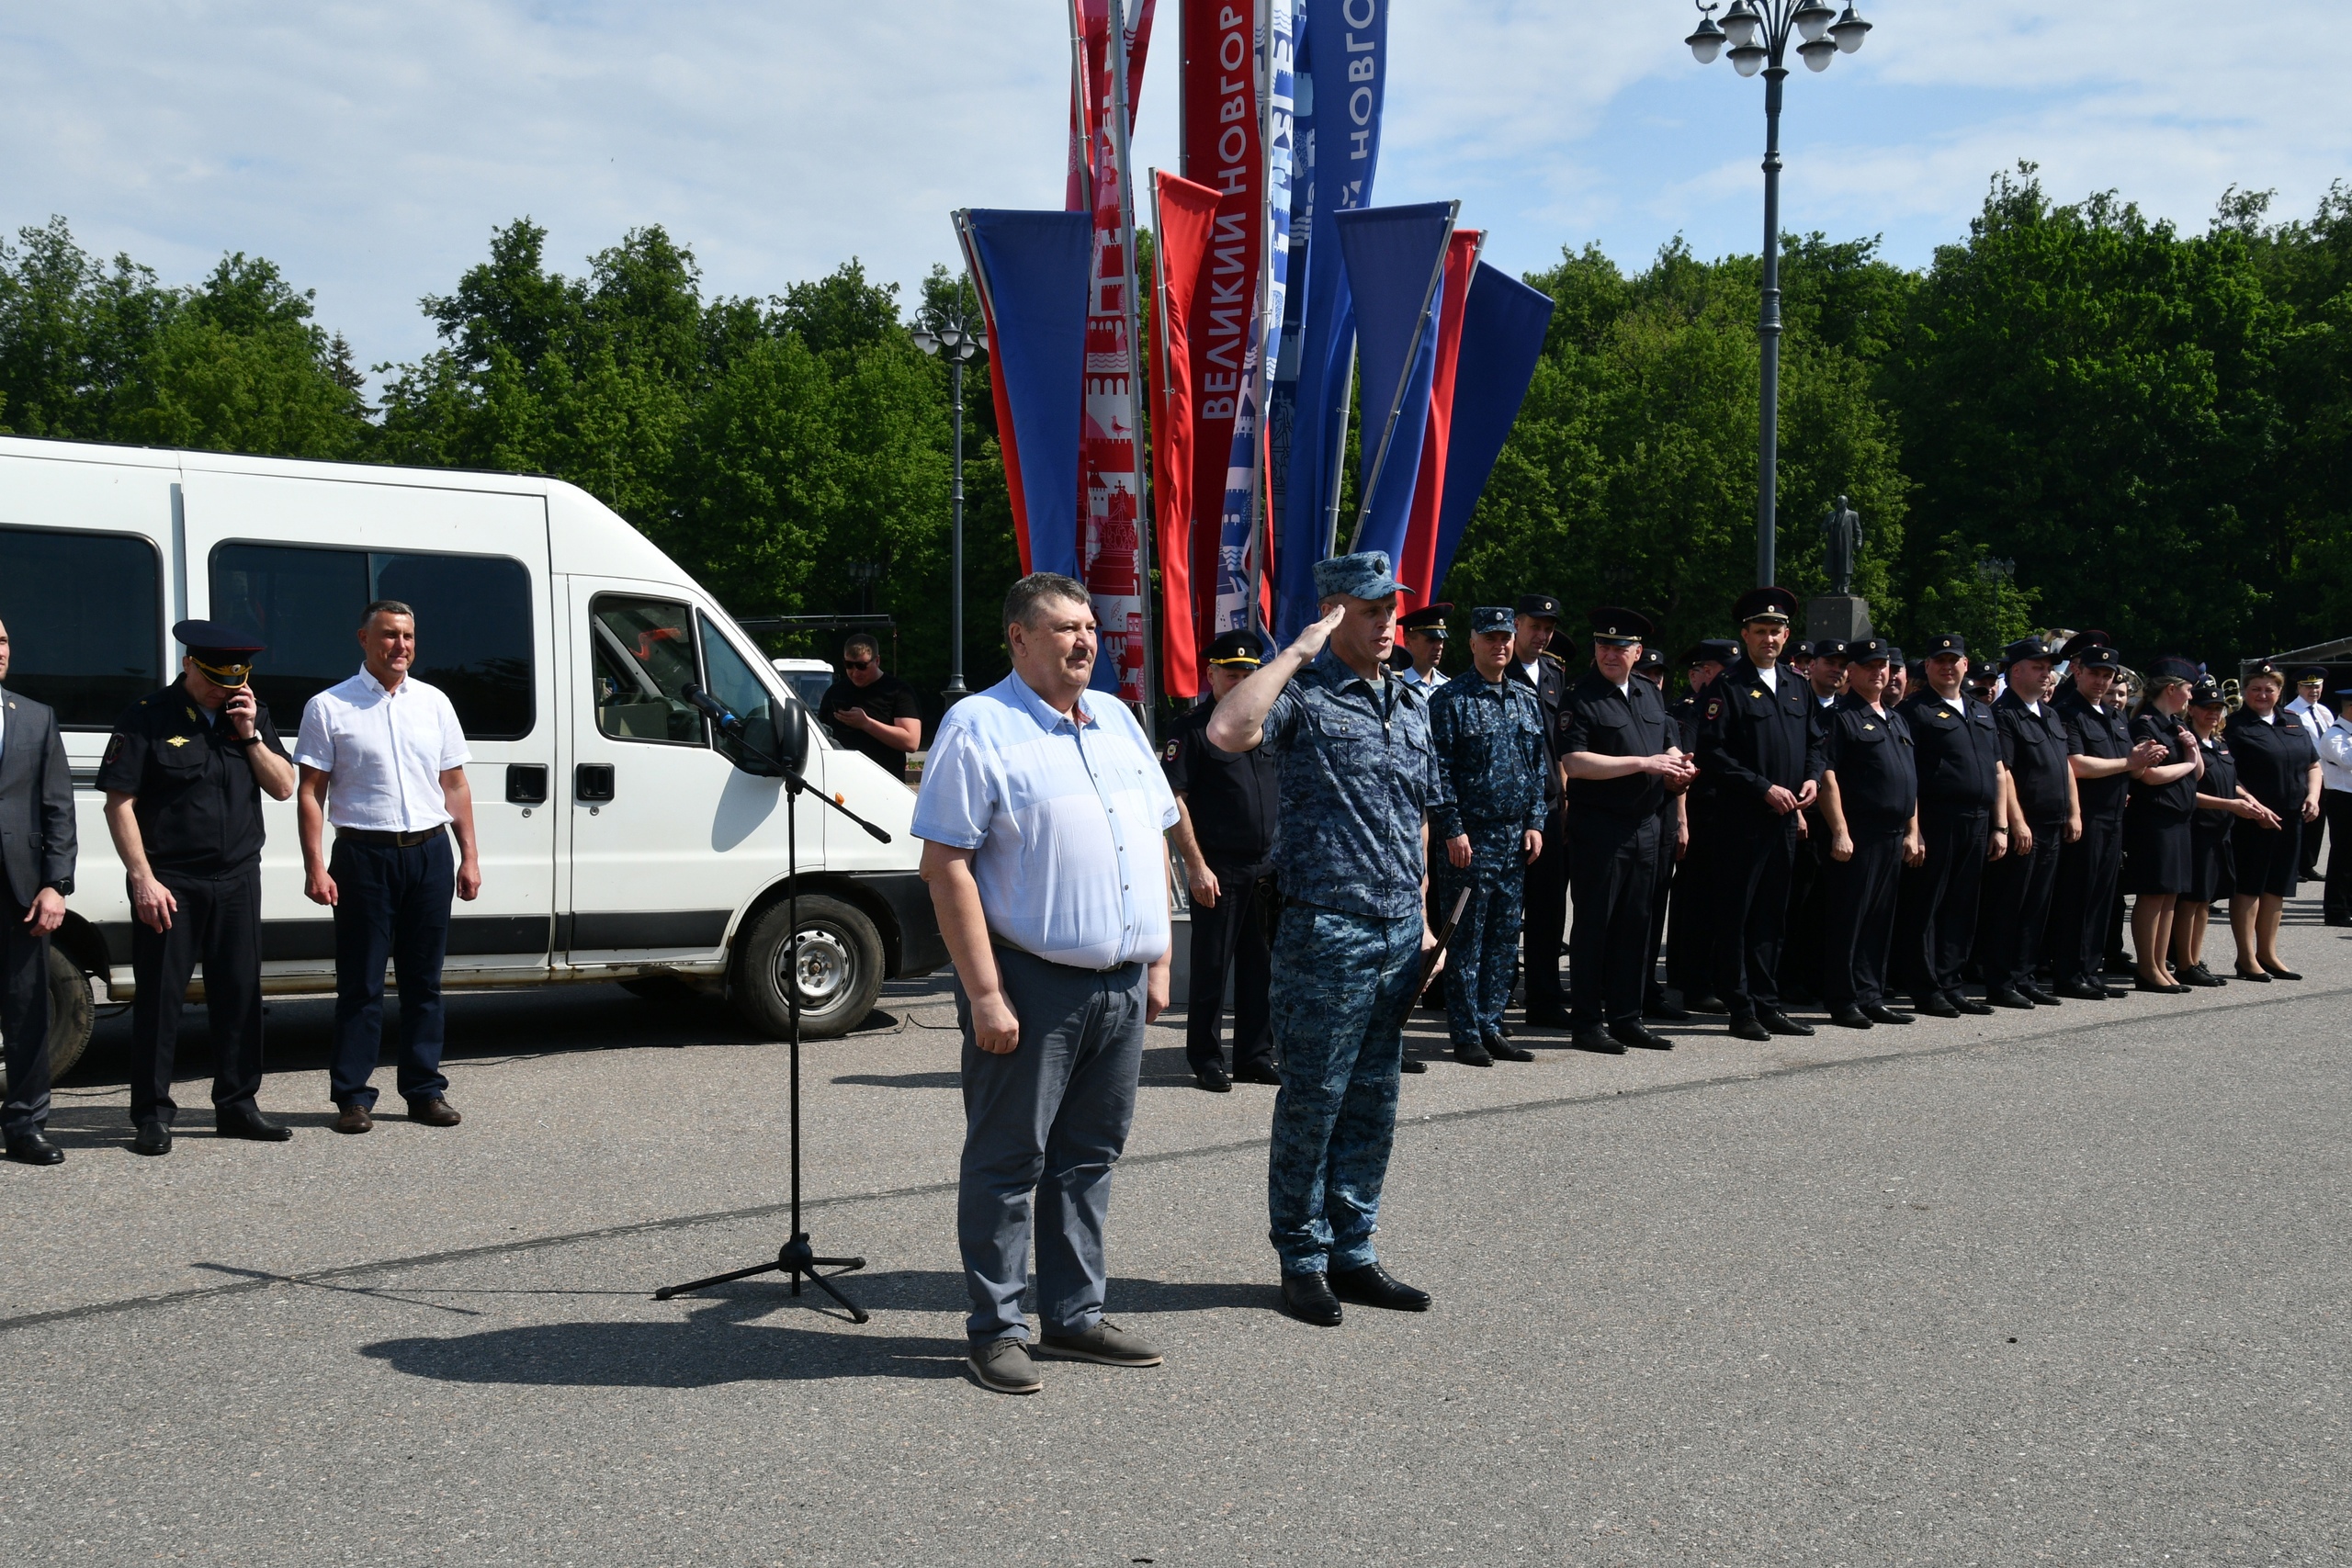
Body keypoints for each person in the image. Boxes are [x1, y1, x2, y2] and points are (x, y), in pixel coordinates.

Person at [913, 572, 1177, 1395]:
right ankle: (996, 1328)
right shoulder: (978, 725)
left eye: (1090, 626)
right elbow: (944, 862)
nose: (1084, 640)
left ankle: (1075, 1314)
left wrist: (1160, 955)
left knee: (1089, 1156)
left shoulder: (1119, 721)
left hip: (1120, 982)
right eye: (1064, 627)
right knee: (1008, 1159)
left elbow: (1155, 830)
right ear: (1018, 638)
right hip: (1031, 983)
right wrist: (986, 992)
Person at [1207, 550, 1449, 1329]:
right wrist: (1298, 649)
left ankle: (1354, 1249)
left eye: (1390, 609)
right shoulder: (1303, 697)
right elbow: (1228, 727)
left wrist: (1424, 915)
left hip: (1395, 929)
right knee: (1313, 1100)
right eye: (1370, 610)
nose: (1387, 623)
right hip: (1325, 930)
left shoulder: (1409, 702)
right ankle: (1302, 1258)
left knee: (1375, 1099)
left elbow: (1415, 810)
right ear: (1335, 612)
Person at [98, 621, 299, 1156]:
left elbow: (283, 787)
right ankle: (152, 1114)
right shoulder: (147, 717)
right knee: (160, 1001)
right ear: (189, 664)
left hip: (237, 878)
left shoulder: (248, 715)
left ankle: (237, 1105)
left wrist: (250, 733)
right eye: (214, 678)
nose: (224, 688)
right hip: (172, 882)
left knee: (239, 995)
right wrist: (142, 879)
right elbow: (119, 804)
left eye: (234, 679)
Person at [296, 600, 482, 1134]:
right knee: (362, 983)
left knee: (425, 982)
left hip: (428, 852)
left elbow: (455, 784)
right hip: (363, 856)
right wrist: (315, 866)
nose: (399, 646)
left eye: (407, 637)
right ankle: (353, 1096)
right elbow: (311, 792)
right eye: (388, 635)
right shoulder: (329, 707)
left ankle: (424, 1091)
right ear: (364, 638)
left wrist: (469, 855)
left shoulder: (435, 703)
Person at [1560, 607, 1693, 1054]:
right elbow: (1574, 763)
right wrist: (1644, 764)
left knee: (1638, 928)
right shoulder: (1580, 695)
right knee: (1594, 927)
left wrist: (1676, 767)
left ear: (1638, 653)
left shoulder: (1648, 694)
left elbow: (1666, 745)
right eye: (1603, 645)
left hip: (1647, 825)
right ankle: (1587, 1024)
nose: (1609, 653)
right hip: (1600, 828)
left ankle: (1627, 1016)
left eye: (1619, 647)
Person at [1694, 586, 1824, 1042]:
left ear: (1786, 636)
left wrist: (1813, 779)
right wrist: (1763, 787)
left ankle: (1769, 1004)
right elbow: (1712, 753)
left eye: (1776, 631)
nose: (1769, 639)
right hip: (1741, 822)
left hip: (1785, 822)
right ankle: (1741, 1007)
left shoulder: (1796, 686)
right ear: (1745, 634)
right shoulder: (1726, 687)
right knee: (1737, 916)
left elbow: (1816, 743)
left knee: (1772, 915)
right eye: (1761, 631)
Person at [1426, 607, 1548, 1066]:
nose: (1500, 645)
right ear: (1472, 643)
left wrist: (1536, 821)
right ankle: (1465, 1031)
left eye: (1506, 638)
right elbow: (1438, 772)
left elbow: (1538, 768)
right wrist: (1453, 829)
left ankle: (1492, 1023)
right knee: (1466, 936)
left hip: (1513, 839)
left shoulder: (1523, 697)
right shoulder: (1451, 699)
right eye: (1490, 638)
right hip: (1469, 840)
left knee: (1502, 936)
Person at [1162, 630, 1282, 1093]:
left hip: (1268, 867)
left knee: (1263, 966)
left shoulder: (1268, 722)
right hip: (1219, 866)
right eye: (1231, 673)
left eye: (1249, 673)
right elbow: (1174, 799)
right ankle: (1206, 1058)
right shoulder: (1192, 728)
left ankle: (1254, 1053)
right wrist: (1195, 865)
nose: (1241, 681)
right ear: (1210, 673)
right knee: (1213, 967)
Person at [1892, 633, 2007, 1018]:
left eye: (1953, 659)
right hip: (1937, 820)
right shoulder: (1915, 711)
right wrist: (1915, 828)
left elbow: (1996, 769)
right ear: (1927, 667)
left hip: (1977, 820)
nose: (1946, 666)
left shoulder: (1981, 711)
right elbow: (1909, 775)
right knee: (1927, 905)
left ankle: (1950, 981)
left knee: (1961, 906)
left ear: (1965, 664)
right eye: (1938, 660)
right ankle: (1925, 987)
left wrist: (1999, 825)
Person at [2047, 633, 2165, 1000]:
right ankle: (2068, 973)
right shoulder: (2069, 713)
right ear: (2078, 673)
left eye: (2108, 675)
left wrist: (2143, 759)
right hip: (2086, 818)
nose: (2102, 681)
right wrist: (2128, 762)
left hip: (2114, 817)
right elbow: (2076, 764)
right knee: (2077, 898)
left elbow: (2126, 767)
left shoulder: (2114, 715)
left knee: (2102, 898)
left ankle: (2089, 968)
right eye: (2095, 673)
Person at [0, 618, 76, 1168]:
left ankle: (26, 1125)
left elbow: (57, 808)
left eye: (3, 640)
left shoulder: (33, 717)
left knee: (28, 1012)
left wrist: (55, 884)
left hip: (20, 891)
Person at [1815, 639, 1922, 1028]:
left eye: (1885, 666)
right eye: (1871, 665)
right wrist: (1840, 831)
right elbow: (1827, 776)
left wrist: (1914, 831)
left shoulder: (1896, 718)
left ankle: (1870, 994)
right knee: (1849, 919)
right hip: (1859, 833)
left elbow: (1909, 781)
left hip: (1893, 833)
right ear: (1852, 671)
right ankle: (1843, 999)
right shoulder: (1839, 717)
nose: (1881, 672)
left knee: (1879, 919)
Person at [1977, 637, 2079, 1009]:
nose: (2047, 674)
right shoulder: (2004, 714)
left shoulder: (2049, 714)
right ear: (2016, 671)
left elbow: (2064, 764)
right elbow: (2005, 773)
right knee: (2010, 905)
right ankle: (2001, 981)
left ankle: (2025, 975)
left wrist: (2073, 811)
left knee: (2037, 905)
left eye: (2048, 668)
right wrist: (2016, 823)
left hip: (2053, 822)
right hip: (2027, 823)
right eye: (2038, 667)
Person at [2223, 660, 2321, 983]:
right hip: (2253, 819)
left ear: (2280, 692)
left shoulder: (2291, 722)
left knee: (2277, 888)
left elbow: (2313, 765)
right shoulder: (2235, 726)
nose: (2262, 694)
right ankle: (2247, 957)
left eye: (2269, 689)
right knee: (2250, 887)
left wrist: (2314, 797)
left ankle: (2268, 952)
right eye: (2256, 689)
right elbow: (2229, 774)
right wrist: (2254, 806)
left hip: (2291, 818)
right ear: (2246, 691)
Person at [2118, 659, 2206, 994]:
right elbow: (2149, 776)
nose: (2190, 697)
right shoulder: (2146, 725)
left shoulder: (2173, 726)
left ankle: (2159, 964)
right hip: (2155, 820)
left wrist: (2193, 752)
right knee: (2153, 894)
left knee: (2170, 895)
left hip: (2178, 820)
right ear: (2172, 689)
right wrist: (2187, 762)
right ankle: (2147, 967)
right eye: (2188, 690)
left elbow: (2198, 775)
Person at [1659, 639, 1736, 1017]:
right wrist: (1683, 822)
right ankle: (1693, 982)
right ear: (1704, 672)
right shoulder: (1689, 711)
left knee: (1723, 903)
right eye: (1723, 668)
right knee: (1697, 905)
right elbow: (1684, 769)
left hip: (1730, 814)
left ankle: (1715, 978)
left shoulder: (1735, 701)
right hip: (1701, 815)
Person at [1508, 593, 1573, 1027]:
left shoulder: (1555, 677)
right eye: (1534, 625)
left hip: (1550, 809)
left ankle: (1545, 997)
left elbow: (1564, 747)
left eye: (1547, 628)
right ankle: (1492, 999)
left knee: (1549, 910)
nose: (1542, 634)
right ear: (1516, 625)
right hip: (1506, 812)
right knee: (1503, 913)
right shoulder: (1494, 670)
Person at [2171, 677, 2260, 987]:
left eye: (2218, 708)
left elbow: (2230, 779)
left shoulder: (2219, 743)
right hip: (2197, 829)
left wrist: (2248, 799)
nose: (2213, 713)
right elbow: (2188, 791)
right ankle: (2184, 962)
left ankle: (2195, 958)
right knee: (2191, 900)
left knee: (2205, 900)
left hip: (2221, 830)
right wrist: (2231, 804)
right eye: (2206, 707)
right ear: (2191, 709)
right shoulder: (2186, 742)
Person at [1780, 637, 1851, 1006]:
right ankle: (1787, 977)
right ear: (1812, 666)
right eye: (1829, 663)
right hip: (1801, 816)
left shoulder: (1845, 709)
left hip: (1834, 820)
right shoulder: (1796, 703)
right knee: (1796, 902)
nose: (1836, 670)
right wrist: (1796, 812)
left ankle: (1814, 974)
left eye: (1842, 664)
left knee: (1824, 904)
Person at [818, 633, 923, 784]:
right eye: (849, 665)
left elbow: (911, 741)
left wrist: (866, 723)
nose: (855, 672)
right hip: (842, 782)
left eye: (861, 666)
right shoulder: (835, 692)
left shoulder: (898, 691)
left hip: (885, 783)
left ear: (877, 661)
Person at [2285, 666, 2330, 879]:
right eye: (2309, 686)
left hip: (2326, 774)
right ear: (2299, 688)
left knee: (2317, 822)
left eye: (2317, 686)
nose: (2314, 691)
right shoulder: (2292, 712)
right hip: (2304, 772)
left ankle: (2307, 864)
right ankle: (2293, 866)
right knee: (2302, 820)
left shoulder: (2323, 711)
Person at [2320, 687, 2352, 927]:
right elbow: (2348, 762)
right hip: (2343, 799)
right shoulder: (2335, 735)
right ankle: (2336, 910)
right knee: (2343, 856)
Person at [1396, 604, 1452, 693]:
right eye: (1431, 640)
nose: (1439, 647)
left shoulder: (1446, 685)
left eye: (1441, 640)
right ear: (1408, 642)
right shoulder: (1396, 685)